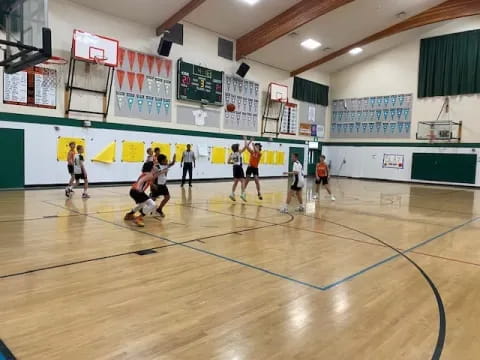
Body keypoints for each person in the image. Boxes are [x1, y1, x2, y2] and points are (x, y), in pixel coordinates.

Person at [124, 162, 157, 227]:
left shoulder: (145, 173)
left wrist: (152, 184)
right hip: (137, 191)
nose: (155, 167)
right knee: (153, 204)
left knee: (141, 204)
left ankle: (129, 215)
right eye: (154, 166)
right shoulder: (149, 175)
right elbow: (141, 181)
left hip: (133, 191)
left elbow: (146, 180)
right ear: (151, 168)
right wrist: (138, 189)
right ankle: (138, 218)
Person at [151, 153, 176, 218]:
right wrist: (152, 184)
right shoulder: (156, 167)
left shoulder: (166, 166)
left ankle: (159, 209)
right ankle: (143, 208)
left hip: (163, 185)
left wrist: (174, 159)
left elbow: (172, 163)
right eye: (166, 160)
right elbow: (151, 176)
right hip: (156, 185)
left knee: (167, 197)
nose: (167, 161)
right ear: (162, 161)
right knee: (152, 199)